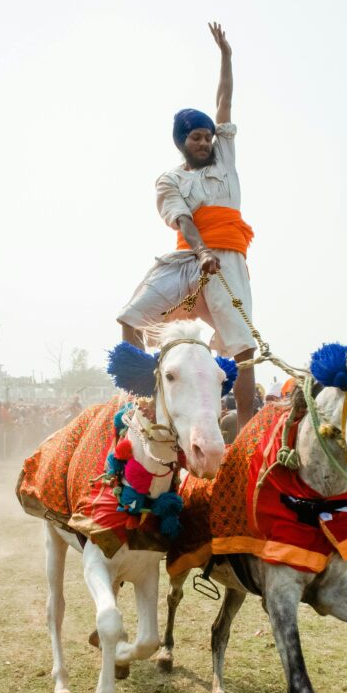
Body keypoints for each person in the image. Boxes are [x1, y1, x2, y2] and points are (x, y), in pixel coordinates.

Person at [117, 23, 257, 429]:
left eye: (208, 137)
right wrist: (201, 252)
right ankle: (143, 403)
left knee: (244, 350)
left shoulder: (224, 159)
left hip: (227, 263)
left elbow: (224, 101)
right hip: (188, 258)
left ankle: (245, 430)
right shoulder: (170, 180)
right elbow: (182, 220)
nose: (204, 142)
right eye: (196, 137)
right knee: (131, 316)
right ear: (182, 142)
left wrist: (226, 56)